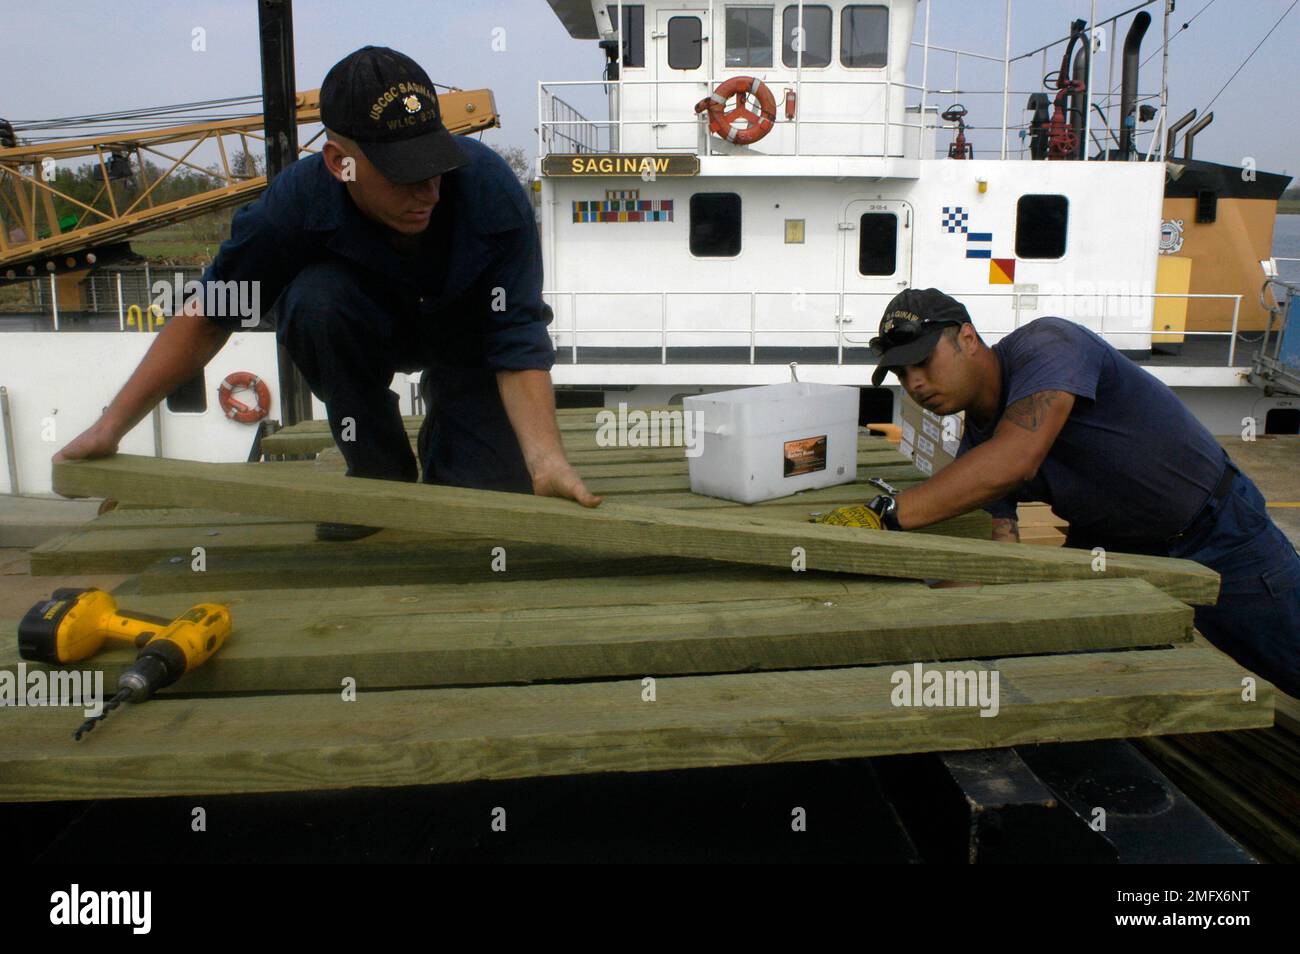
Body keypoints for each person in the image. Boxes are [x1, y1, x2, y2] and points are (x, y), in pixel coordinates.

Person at [53, 46, 599, 538]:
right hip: (361, 327)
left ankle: (457, 431)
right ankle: (376, 464)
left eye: (435, 165)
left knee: (484, 507)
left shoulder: (490, 192)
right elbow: (210, 316)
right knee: (315, 301)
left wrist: (545, 460)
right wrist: (110, 428)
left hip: (467, 342)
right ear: (341, 163)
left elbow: (516, 333)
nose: (428, 190)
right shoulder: (294, 207)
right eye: (403, 174)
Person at [857, 287, 1300, 697]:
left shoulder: (1049, 346)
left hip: (1221, 533)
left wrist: (886, 514)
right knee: (1073, 666)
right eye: (901, 371)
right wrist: (899, 622)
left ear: (968, 339)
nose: (913, 384)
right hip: (1118, 552)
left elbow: (1018, 457)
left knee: (1287, 661)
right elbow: (997, 554)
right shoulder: (977, 451)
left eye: (923, 362)